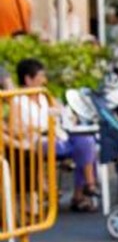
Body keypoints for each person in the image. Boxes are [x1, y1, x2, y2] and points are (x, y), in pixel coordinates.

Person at [13, 58, 99, 212]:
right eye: (40, 76)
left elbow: (62, 111)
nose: (44, 80)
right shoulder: (17, 101)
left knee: (86, 141)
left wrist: (65, 115)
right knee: (80, 147)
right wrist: (42, 127)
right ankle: (86, 188)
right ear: (28, 79)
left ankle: (85, 189)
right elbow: (18, 128)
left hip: (59, 136)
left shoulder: (44, 96)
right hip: (38, 141)